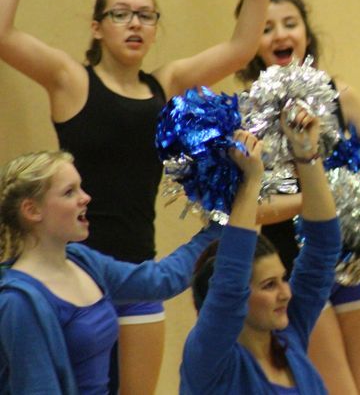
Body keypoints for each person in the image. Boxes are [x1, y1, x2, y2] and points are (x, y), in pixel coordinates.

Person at [0, 0, 278, 394]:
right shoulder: (71, 80)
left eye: (146, 16)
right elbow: (3, 34)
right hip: (71, 274)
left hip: (138, 277)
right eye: (121, 14)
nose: (135, 24)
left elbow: (241, 48)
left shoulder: (164, 85)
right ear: (97, 27)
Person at [234, 0, 360, 394]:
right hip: (293, 269)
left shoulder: (342, 97)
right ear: (250, 42)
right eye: (266, 28)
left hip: (350, 266)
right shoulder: (245, 114)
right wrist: (318, 201)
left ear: (306, 33)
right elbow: (248, 208)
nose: (280, 34)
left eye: (290, 24)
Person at [0, 150, 221, 394]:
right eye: (69, 192)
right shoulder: (18, 301)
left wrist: (222, 221)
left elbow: (161, 280)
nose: (85, 198)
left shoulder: (82, 261)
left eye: (81, 188)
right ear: (32, 210)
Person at [180, 116, 341, 394]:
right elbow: (230, 285)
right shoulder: (209, 361)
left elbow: (323, 249)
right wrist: (252, 180)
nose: (286, 293)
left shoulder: (288, 337)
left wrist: (307, 154)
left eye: (282, 280)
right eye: (269, 285)